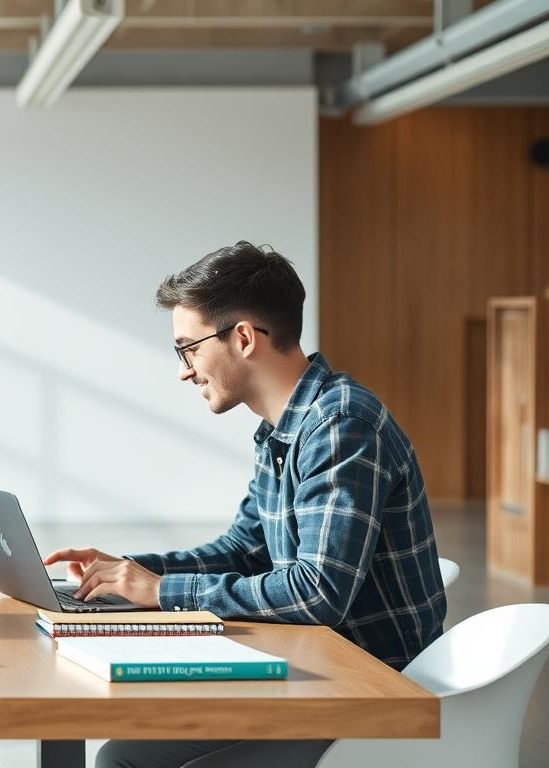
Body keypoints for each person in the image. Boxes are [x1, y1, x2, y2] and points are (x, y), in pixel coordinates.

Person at [44, 242, 447, 768]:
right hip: (314, 673)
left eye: (187, 348)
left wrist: (162, 591)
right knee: (123, 755)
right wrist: (127, 573)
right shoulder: (284, 429)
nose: (184, 370)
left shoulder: (342, 425)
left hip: (364, 695)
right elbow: (244, 549)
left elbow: (318, 593)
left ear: (243, 337)